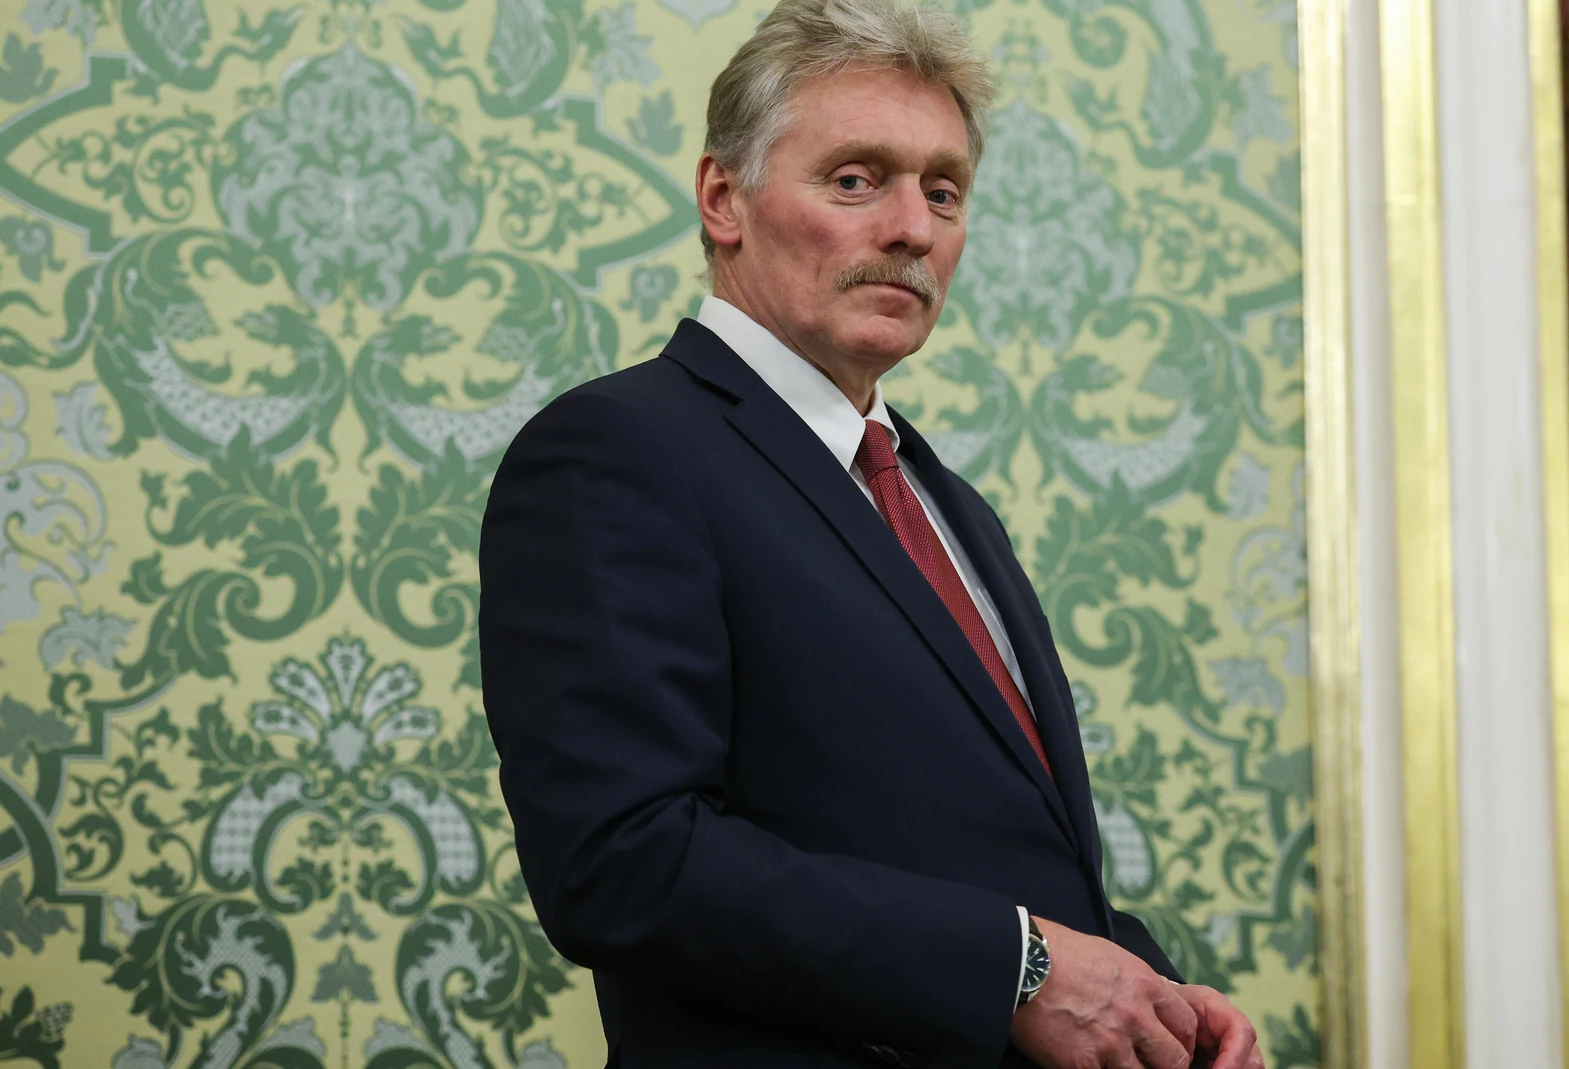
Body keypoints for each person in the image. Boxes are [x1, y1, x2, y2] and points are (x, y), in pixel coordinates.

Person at [478, 0, 1268, 1065]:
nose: (911, 227)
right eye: (856, 179)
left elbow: (991, 858)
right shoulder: (619, 450)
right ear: (725, 197)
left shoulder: (945, 500)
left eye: (943, 191)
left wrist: (1158, 1001)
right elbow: (622, 863)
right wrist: (1019, 965)